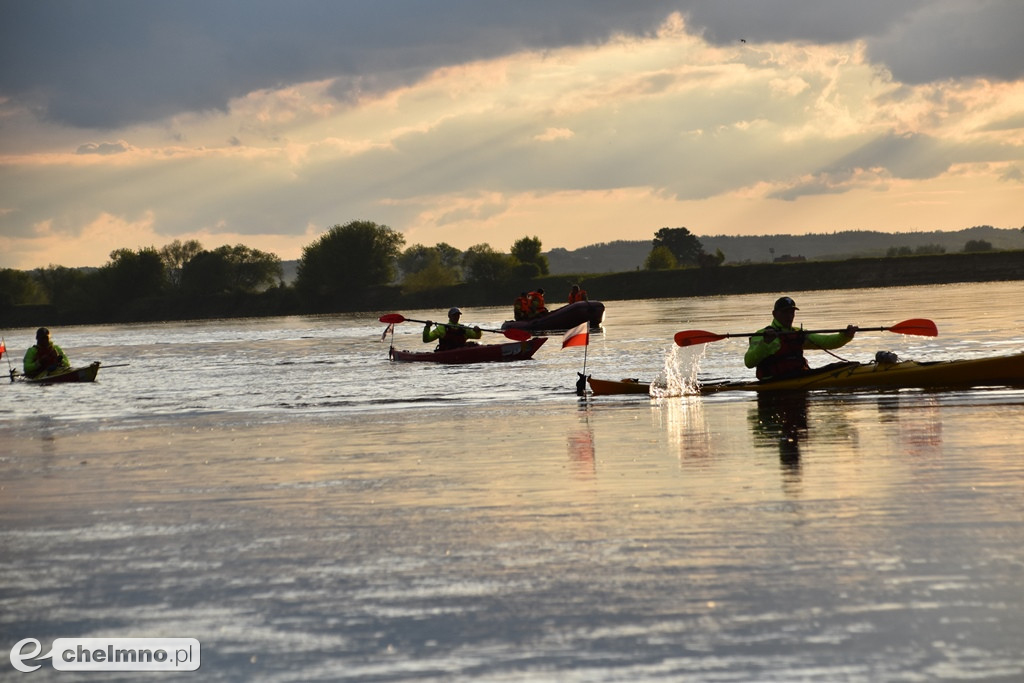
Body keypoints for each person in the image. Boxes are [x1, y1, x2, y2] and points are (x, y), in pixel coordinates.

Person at [744, 297, 857, 380]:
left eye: (791, 312)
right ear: (774, 314)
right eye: (785, 312)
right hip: (774, 382)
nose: (789, 316)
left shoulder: (797, 333)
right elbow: (749, 362)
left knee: (839, 366)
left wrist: (846, 335)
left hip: (798, 376)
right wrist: (766, 343)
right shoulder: (761, 335)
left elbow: (827, 342)